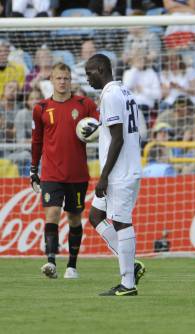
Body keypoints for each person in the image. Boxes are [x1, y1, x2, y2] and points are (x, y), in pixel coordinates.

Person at [30, 63, 99, 279]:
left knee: (74, 219)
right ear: (51, 80)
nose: (62, 82)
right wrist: (34, 169)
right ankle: (50, 262)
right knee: (52, 213)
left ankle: (72, 266)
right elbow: (37, 141)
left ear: (71, 80)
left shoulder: (84, 104)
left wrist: (96, 127)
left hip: (77, 173)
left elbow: (101, 124)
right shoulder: (41, 108)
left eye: (66, 78)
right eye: (59, 78)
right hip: (51, 173)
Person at [84, 54, 145, 296]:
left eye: (89, 73)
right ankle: (131, 264)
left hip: (120, 172)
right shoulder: (125, 92)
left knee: (121, 222)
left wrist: (104, 175)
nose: (88, 79)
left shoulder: (110, 95)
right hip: (126, 167)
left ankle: (128, 283)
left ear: (100, 69)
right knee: (96, 215)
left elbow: (118, 138)